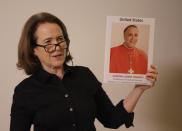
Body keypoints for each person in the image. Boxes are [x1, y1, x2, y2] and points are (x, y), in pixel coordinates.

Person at [10, 12, 158, 131]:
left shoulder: (84, 75)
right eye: (48, 42)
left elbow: (112, 119)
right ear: (33, 49)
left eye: (60, 39)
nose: (57, 46)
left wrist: (139, 89)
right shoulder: (25, 91)